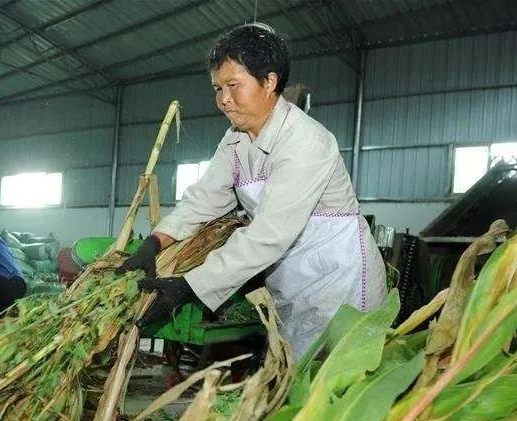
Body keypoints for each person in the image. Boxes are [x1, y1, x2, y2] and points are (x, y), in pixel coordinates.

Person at [118, 24, 386, 358]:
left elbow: (268, 235)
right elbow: (204, 198)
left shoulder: (306, 142)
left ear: (269, 81)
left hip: (340, 284)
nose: (223, 100)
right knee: (294, 383)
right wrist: (155, 241)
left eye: (233, 85)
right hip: (293, 285)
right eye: (217, 88)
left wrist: (190, 287)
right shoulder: (235, 142)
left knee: (337, 389)